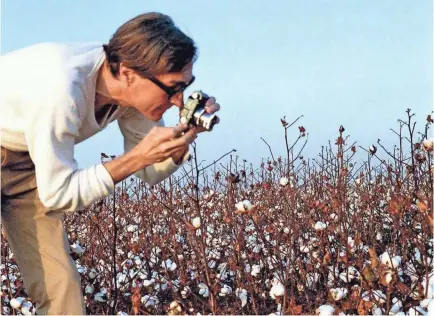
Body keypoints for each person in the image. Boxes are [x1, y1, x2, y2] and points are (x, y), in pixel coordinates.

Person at [0, 12, 220, 314]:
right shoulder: (61, 88)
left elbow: (150, 170)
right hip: (27, 156)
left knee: (60, 288)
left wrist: (184, 135)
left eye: (185, 87)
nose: (178, 100)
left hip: (28, 160)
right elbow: (59, 194)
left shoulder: (131, 89)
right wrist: (136, 157)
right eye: (171, 89)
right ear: (128, 73)